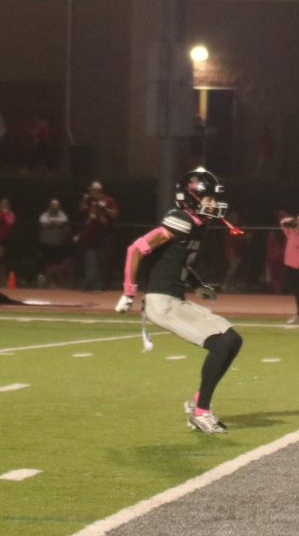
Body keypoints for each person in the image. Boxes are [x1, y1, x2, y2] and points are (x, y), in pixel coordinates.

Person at [115, 168, 244, 434]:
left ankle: (198, 403)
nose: (212, 203)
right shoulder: (180, 221)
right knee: (222, 344)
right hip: (162, 302)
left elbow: (175, 261)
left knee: (232, 340)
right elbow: (135, 249)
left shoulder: (194, 224)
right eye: (207, 198)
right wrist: (129, 292)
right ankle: (200, 411)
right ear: (192, 198)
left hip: (174, 297)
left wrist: (198, 285)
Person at [78, 180, 118, 291]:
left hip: (105, 236)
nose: (91, 191)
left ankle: (102, 284)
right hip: (90, 236)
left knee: (103, 262)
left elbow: (114, 215)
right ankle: (93, 285)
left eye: (94, 190)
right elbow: (82, 209)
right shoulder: (88, 200)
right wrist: (85, 199)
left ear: (99, 190)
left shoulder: (107, 200)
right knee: (91, 262)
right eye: (91, 189)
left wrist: (104, 208)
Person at [38, 198, 73, 288]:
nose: (54, 206)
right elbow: (43, 223)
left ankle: (57, 283)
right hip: (46, 244)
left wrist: (51, 222)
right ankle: (49, 282)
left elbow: (63, 221)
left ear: (59, 206)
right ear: (50, 206)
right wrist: (54, 223)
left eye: (56, 205)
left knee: (57, 265)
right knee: (48, 264)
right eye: (53, 205)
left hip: (58, 244)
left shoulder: (62, 214)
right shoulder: (45, 214)